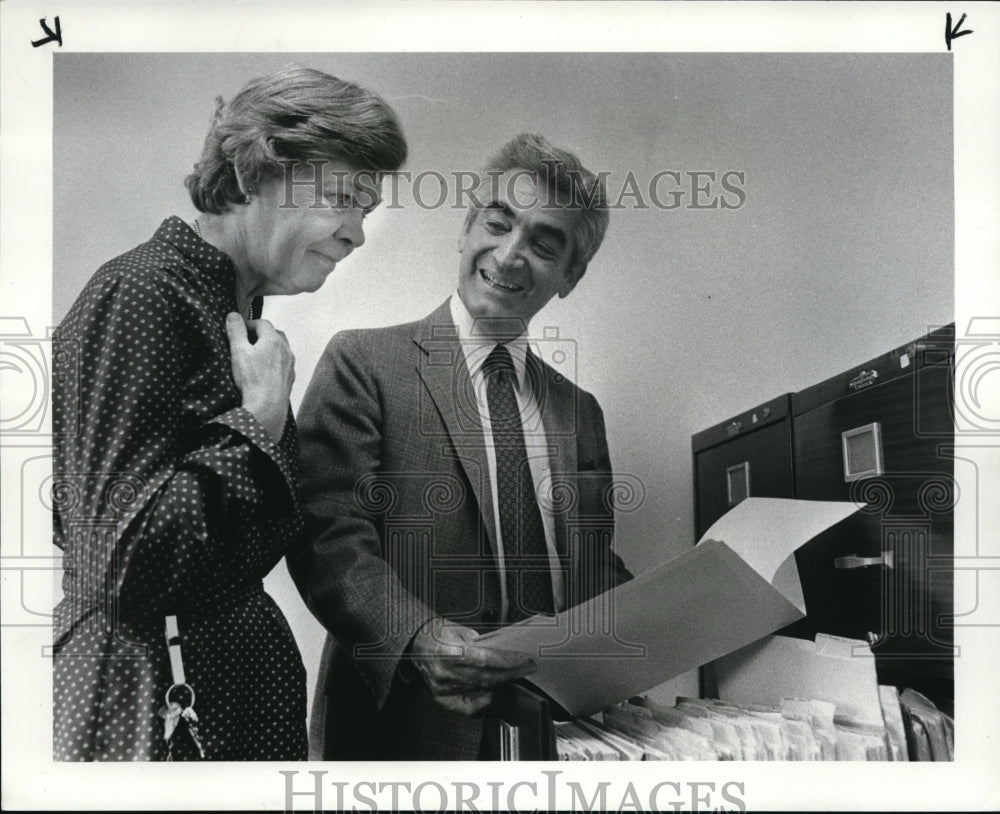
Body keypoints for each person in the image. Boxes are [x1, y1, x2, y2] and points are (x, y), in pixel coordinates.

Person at [51, 65, 407, 761]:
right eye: (341, 198)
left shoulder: (229, 313)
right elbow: (117, 569)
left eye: (365, 209)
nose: (357, 234)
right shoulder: (142, 293)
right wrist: (258, 421)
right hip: (147, 703)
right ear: (250, 175)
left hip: (221, 691)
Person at [291, 133, 632, 760]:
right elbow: (326, 536)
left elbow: (594, 567)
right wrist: (418, 639)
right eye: (498, 224)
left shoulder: (580, 413)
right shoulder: (364, 362)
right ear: (467, 226)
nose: (508, 256)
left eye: (543, 243)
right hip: (399, 730)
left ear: (570, 276)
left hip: (552, 732)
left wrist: (671, 617)